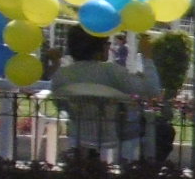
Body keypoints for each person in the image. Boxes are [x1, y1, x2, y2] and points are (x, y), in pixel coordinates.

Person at [53, 26, 174, 160]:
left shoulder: (61, 75)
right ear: (98, 49)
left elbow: (61, 106)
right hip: (118, 133)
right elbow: (153, 91)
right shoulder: (112, 72)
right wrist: (147, 57)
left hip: (78, 133)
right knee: (164, 130)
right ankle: (142, 172)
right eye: (107, 43)